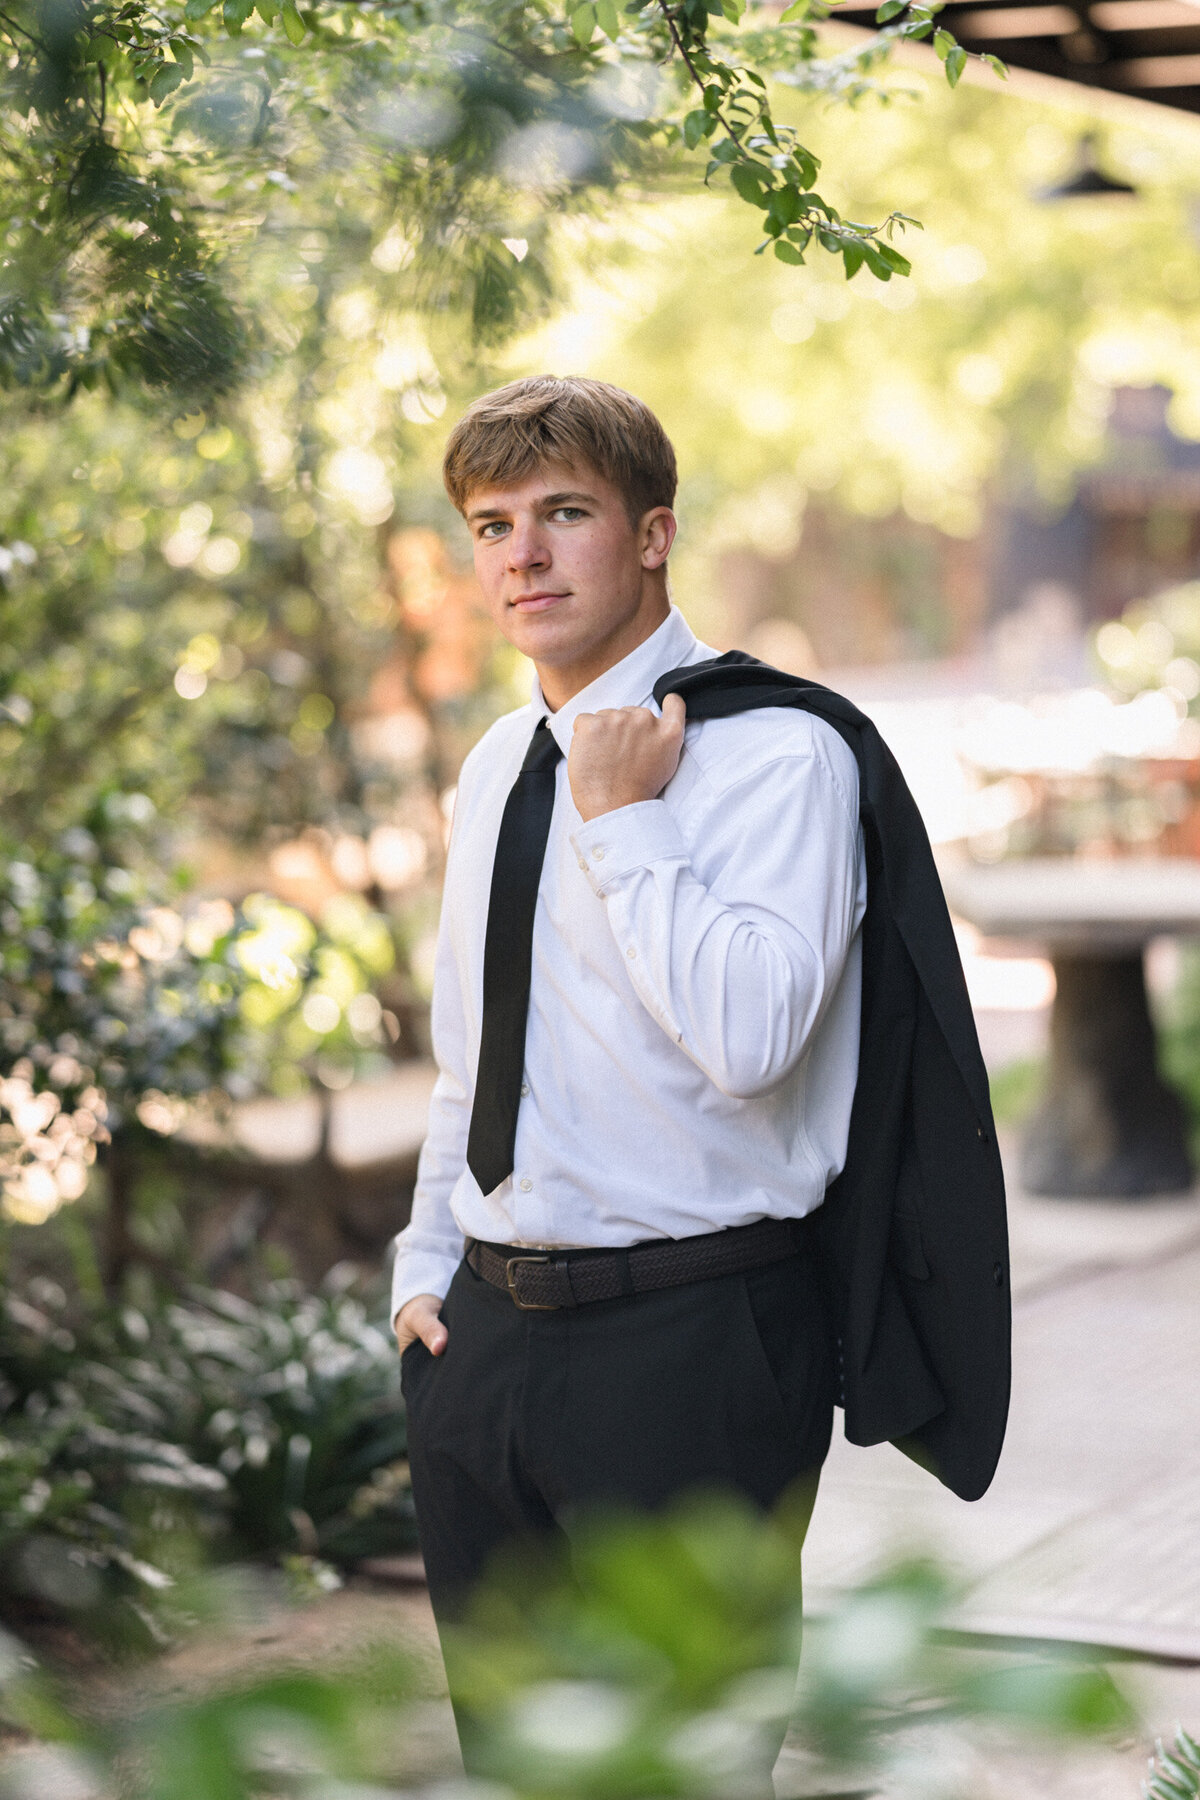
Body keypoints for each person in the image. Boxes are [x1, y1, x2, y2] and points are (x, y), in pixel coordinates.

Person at [390, 372, 866, 1775]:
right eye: (489, 526)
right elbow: (471, 1054)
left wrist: (624, 822)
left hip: (694, 1342)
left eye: (562, 514)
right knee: (519, 1766)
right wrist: (426, 1270)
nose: (520, 558)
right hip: (485, 1346)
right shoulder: (491, 765)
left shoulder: (782, 754)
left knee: (683, 1769)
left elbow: (752, 1038)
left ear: (652, 534)